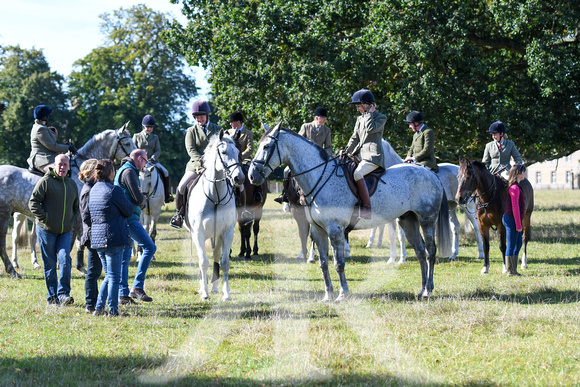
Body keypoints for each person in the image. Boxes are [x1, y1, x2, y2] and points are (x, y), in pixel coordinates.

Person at [28, 154, 80, 306]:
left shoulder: (71, 184)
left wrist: (73, 220)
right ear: (54, 165)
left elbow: (76, 207)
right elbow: (33, 202)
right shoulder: (45, 181)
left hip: (65, 231)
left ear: (69, 166)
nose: (62, 167)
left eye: (65, 164)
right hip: (46, 230)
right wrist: (45, 218)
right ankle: (52, 298)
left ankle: (63, 294)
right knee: (50, 264)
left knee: (65, 259)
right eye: (60, 164)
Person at [89, 159, 134, 316]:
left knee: (109, 276)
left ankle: (99, 309)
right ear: (111, 172)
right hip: (114, 237)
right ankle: (113, 311)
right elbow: (128, 211)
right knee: (115, 277)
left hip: (97, 238)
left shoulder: (93, 189)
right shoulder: (114, 190)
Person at [170, 100, 222, 228]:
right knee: (181, 187)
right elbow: (191, 150)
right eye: (197, 117)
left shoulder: (218, 129)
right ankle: (179, 215)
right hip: (195, 165)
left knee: (230, 183)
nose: (200, 119)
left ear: (207, 116)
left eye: (202, 116)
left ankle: (237, 209)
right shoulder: (191, 131)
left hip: (215, 165)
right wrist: (202, 162)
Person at [115, 149, 157, 303]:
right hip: (129, 219)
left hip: (125, 218)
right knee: (150, 247)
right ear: (139, 159)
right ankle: (137, 287)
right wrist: (142, 198)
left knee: (125, 258)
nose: (145, 164)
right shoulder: (129, 172)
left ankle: (123, 295)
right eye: (145, 161)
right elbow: (138, 198)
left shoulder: (125, 170)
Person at [342, 89, 387, 219]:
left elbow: (370, 129)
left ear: (367, 105)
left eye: (359, 106)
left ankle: (367, 209)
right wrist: (346, 151)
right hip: (360, 156)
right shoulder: (360, 119)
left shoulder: (380, 117)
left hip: (373, 157)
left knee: (357, 173)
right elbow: (354, 138)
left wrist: (370, 113)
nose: (357, 110)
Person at [132, 114, 174, 203]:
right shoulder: (136, 136)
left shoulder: (155, 137)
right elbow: (133, 150)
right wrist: (139, 159)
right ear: (143, 127)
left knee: (165, 172)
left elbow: (158, 150)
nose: (149, 129)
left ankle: (166, 194)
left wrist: (153, 158)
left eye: (151, 127)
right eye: (147, 127)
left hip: (152, 162)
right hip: (139, 162)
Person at [78, 159, 101, 314]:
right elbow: (86, 216)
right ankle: (90, 304)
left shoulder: (93, 187)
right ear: (90, 172)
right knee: (93, 272)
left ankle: (95, 300)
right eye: (97, 169)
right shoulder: (88, 190)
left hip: (96, 233)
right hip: (93, 234)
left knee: (95, 271)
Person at [27, 105, 76, 173]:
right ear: (45, 116)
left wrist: (64, 146)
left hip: (48, 158)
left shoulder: (42, 127)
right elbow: (52, 146)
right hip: (42, 160)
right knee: (60, 172)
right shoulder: (40, 129)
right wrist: (68, 147)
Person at [227, 111, 255, 224]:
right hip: (232, 162)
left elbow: (250, 149)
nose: (230, 124)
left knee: (251, 174)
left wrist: (240, 158)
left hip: (244, 160)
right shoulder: (227, 133)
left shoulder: (248, 133)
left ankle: (257, 194)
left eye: (232, 122)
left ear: (238, 122)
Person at [502, 163, 527, 276]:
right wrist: (518, 225)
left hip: (515, 219)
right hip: (511, 219)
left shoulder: (517, 186)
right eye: (523, 171)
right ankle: (510, 271)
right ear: (518, 173)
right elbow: (515, 207)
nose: (524, 174)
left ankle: (513, 269)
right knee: (512, 245)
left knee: (518, 244)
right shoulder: (514, 188)